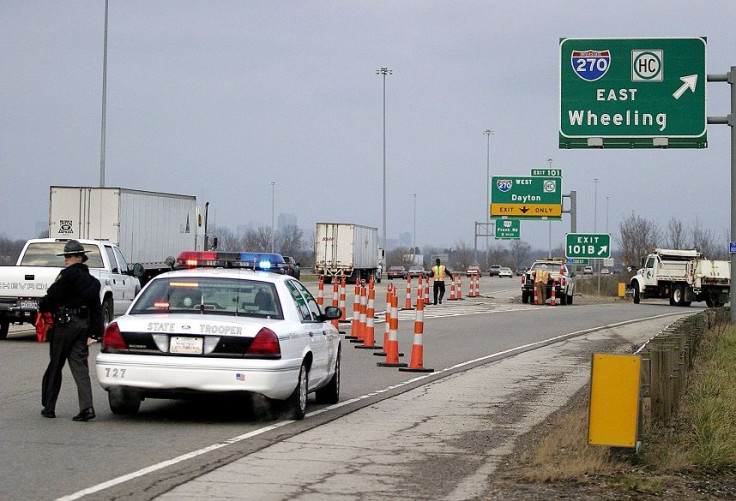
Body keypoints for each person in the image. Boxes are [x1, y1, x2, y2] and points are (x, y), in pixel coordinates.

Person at [39, 240, 103, 421]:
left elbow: (52, 295)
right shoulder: (93, 282)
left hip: (65, 325)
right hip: (82, 326)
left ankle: (49, 407)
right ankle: (87, 408)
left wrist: (43, 306)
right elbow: (96, 308)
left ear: (80, 258)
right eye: (66, 256)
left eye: (70, 256)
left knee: (56, 364)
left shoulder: (67, 276)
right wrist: (94, 333)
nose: (66, 259)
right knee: (80, 367)